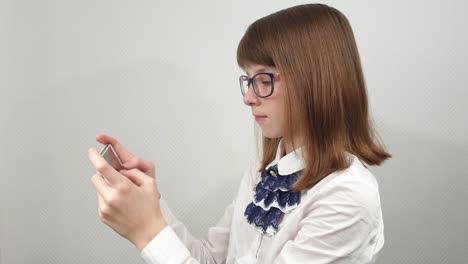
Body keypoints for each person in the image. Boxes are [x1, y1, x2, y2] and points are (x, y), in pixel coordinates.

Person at [87, 3, 391, 263]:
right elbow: (211, 259)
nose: (248, 97)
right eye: (248, 80)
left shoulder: (347, 196)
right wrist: (151, 205)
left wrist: (147, 232)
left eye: (264, 79)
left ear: (313, 80)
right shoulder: (263, 174)